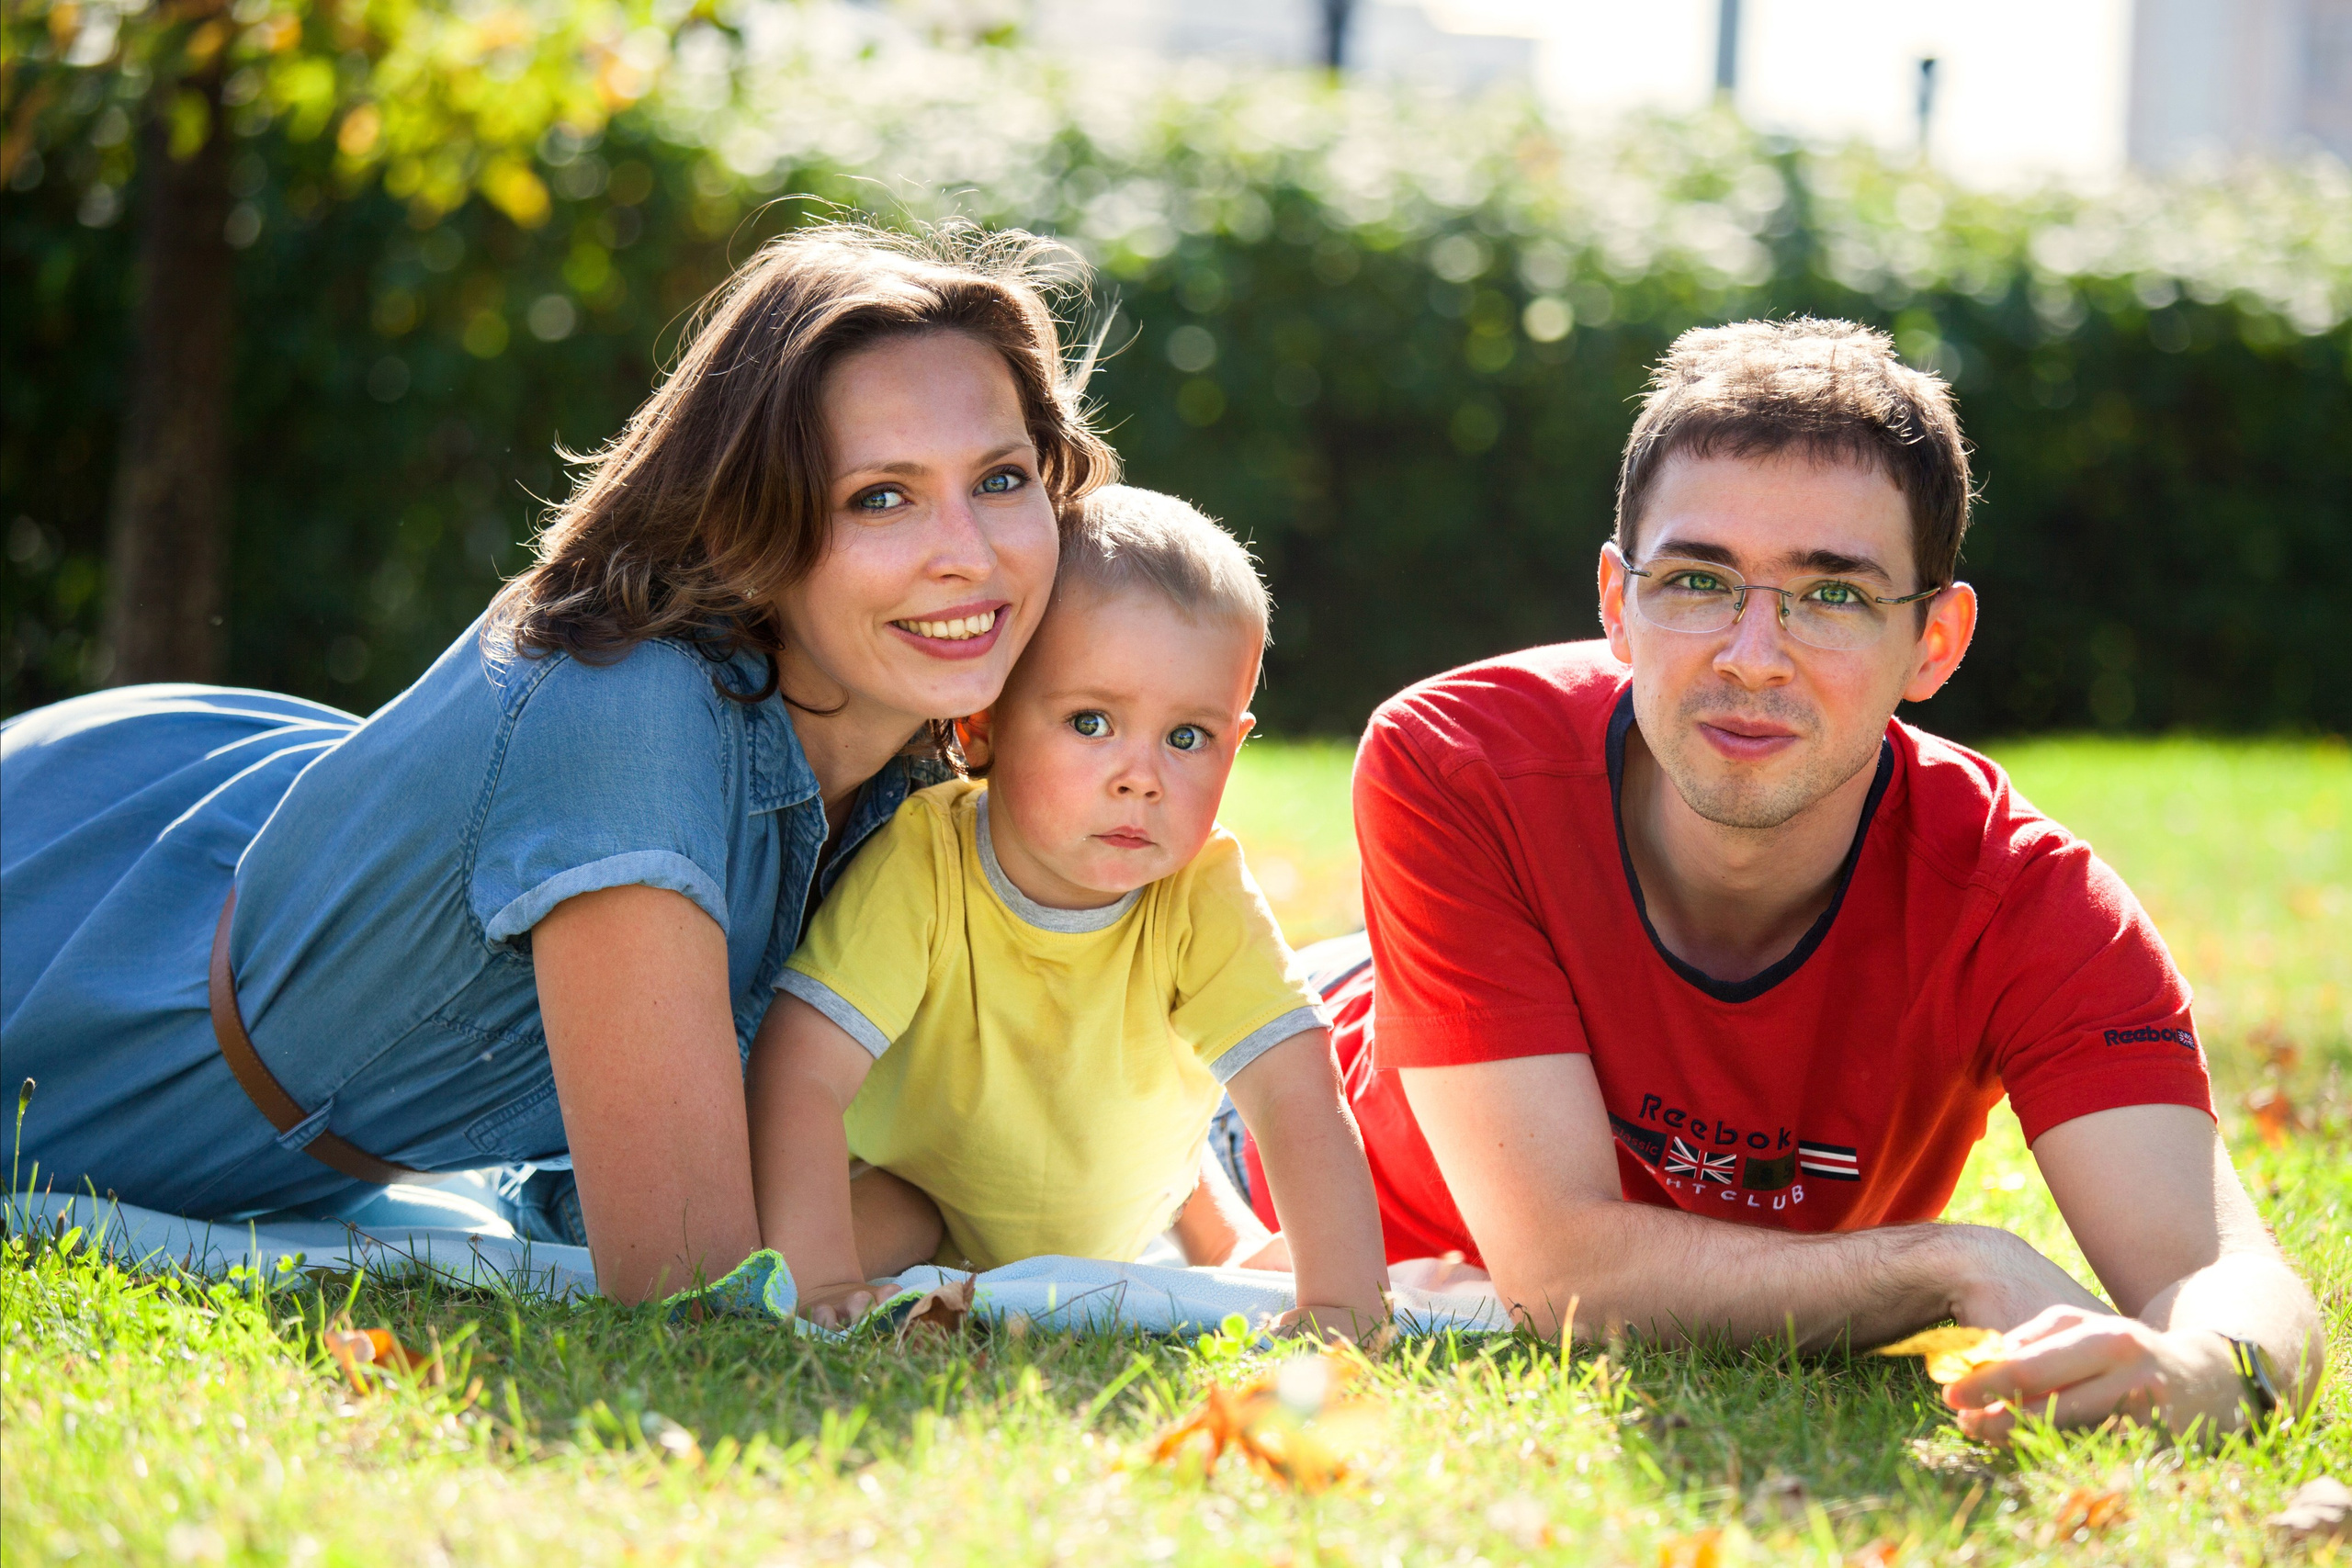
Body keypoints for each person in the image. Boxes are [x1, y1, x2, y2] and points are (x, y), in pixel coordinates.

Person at [0, 223, 1116, 1303]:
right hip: (80, 932)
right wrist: (937, 1202)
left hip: (250, 816)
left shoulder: (917, 770)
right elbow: (690, 1271)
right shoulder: (628, 726)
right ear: (748, 526)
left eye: (1003, 480)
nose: (968, 555)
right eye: (881, 497)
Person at [1250, 319, 2322, 1439]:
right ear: (1616, 603)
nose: (1751, 655)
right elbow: (1557, 1274)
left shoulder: (2025, 899)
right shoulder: (1458, 756)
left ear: (1935, 644)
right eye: (1698, 580)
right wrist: (1951, 1266)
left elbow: (2225, 1272)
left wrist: (2207, 1369)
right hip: (1289, 1147)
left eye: (1834, 596)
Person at [750, 487, 1391, 1336]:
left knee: (1176, 1125)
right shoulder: (926, 863)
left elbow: (1297, 1092)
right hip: (926, 1179)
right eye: (1092, 722)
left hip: (1127, 1176)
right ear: (980, 727)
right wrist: (822, 1275)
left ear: (1236, 748)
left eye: (1188, 737)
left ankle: (1222, 1238)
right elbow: (800, 1063)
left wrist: (1345, 1301)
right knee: (882, 1226)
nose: (1142, 775)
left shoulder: (1200, 888)